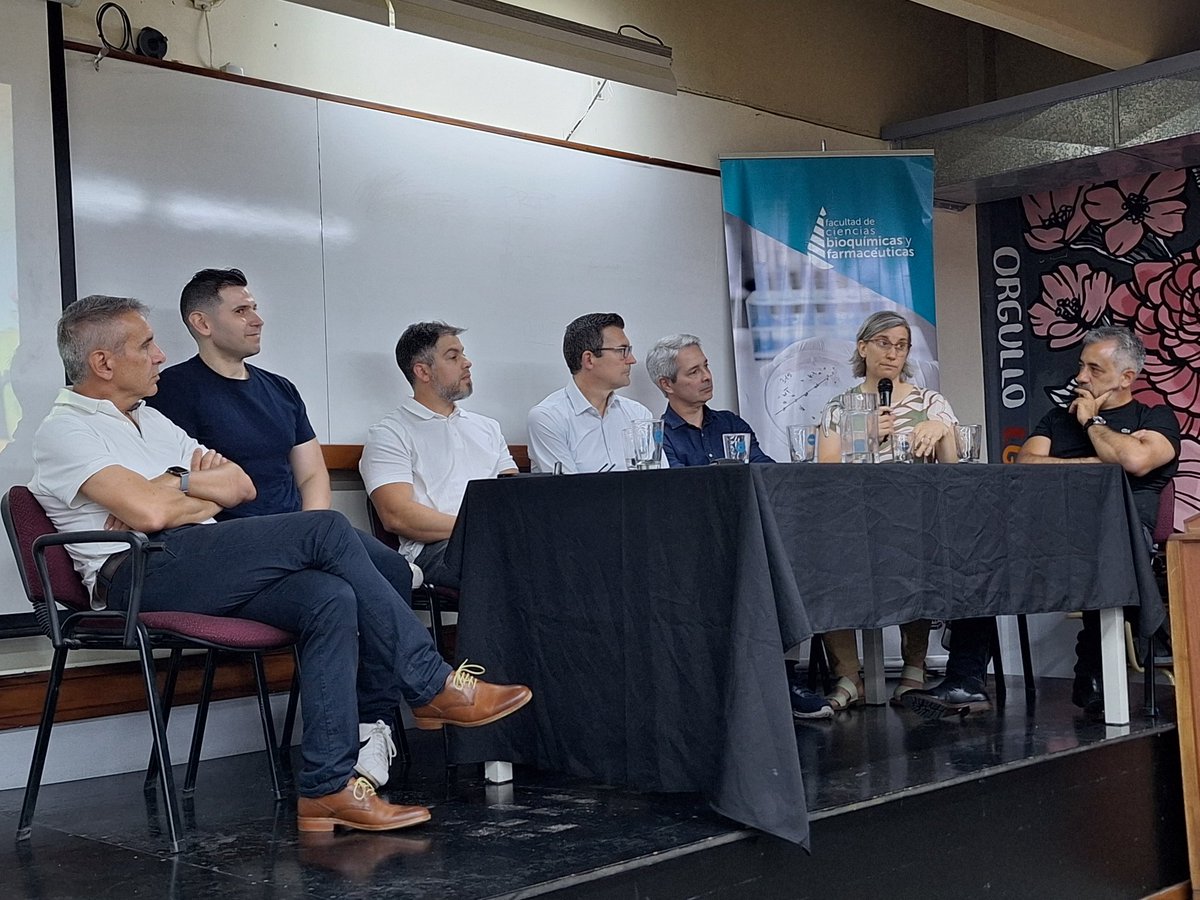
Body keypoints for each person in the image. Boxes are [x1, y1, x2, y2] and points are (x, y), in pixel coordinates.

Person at [31, 295, 532, 832]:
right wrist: (183, 491)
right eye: (147, 344)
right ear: (104, 363)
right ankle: (431, 683)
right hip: (140, 576)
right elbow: (151, 512)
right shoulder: (65, 429)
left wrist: (170, 488)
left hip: (197, 560)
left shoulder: (151, 422)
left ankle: (326, 788)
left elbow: (238, 487)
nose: (159, 356)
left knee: (329, 597)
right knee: (326, 529)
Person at [146, 267, 422, 788]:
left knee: (392, 569)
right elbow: (180, 482)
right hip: (233, 546)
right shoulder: (174, 392)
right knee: (338, 588)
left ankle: (373, 723)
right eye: (241, 310)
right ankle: (418, 691)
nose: (257, 319)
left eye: (255, 307)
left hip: (303, 534)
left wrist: (311, 526)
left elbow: (312, 471)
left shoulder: (280, 389)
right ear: (201, 322)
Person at [904, 326, 1179, 720]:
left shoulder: (1154, 417)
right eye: (1081, 366)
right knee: (978, 552)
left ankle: (1097, 676)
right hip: (1049, 535)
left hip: (1119, 540)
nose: (1081, 377)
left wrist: (1091, 423)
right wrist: (1103, 464)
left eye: (1094, 369)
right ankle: (966, 681)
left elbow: (1136, 461)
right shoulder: (1056, 419)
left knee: (1103, 555)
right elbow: (1025, 466)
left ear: (1126, 378)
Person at [816, 310, 960, 711]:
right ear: (863, 347)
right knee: (824, 566)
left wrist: (942, 430)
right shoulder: (839, 405)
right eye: (883, 343)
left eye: (901, 346)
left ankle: (915, 667)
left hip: (912, 518)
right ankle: (848, 675)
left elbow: (953, 469)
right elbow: (824, 467)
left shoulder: (930, 401)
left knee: (913, 561)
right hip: (852, 518)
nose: (892, 353)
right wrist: (861, 435)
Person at [361, 322, 517, 589]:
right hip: (436, 550)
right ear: (423, 371)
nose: (467, 363)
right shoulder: (390, 433)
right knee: (505, 562)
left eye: (463, 354)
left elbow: (513, 493)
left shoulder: (487, 428)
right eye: (453, 357)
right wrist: (477, 528)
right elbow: (397, 515)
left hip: (498, 539)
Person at [527, 313, 661, 473]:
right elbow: (569, 490)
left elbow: (659, 480)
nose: (631, 360)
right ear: (589, 359)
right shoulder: (548, 417)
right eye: (622, 351)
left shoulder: (638, 414)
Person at [646, 334, 773, 466]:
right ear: (666, 384)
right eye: (694, 372)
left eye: (706, 366)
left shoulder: (731, 424)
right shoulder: (660, 438)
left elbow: (766, 472)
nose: (707, 376)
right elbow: (680, 482)